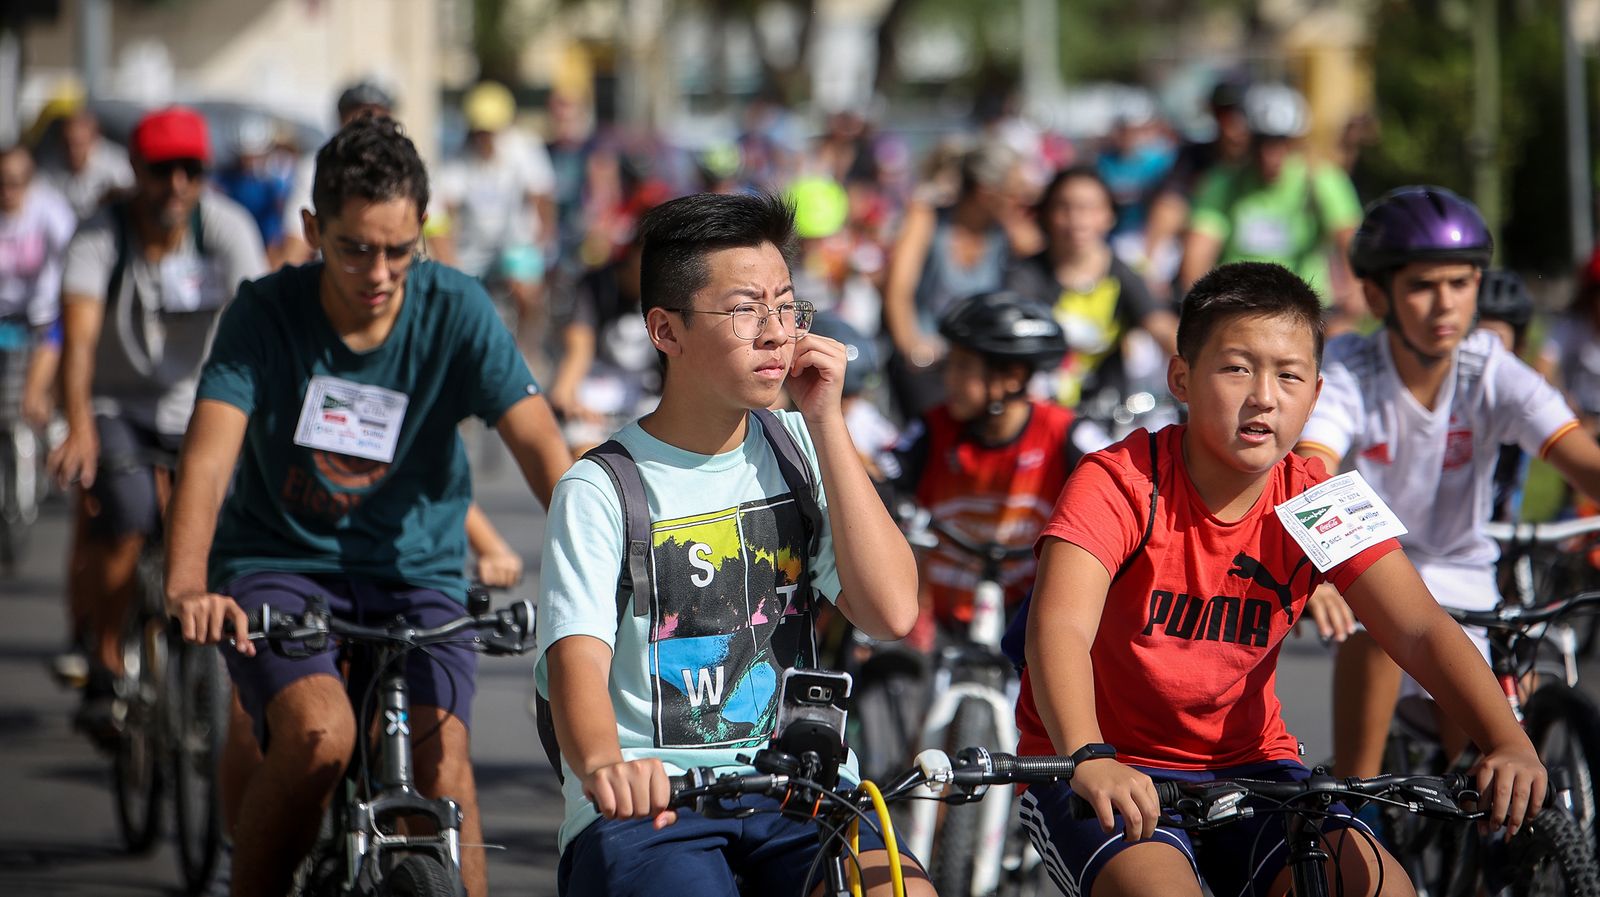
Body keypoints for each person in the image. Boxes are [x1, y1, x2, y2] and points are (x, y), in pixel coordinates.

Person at [1015, 260, 1547, 897]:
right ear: (1181, 377)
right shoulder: (1118, 479)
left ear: (1315, 395)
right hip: (1103, 766)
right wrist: (1087, 755)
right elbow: (1060, 627)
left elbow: (1420, 629)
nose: (1264, 395)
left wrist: (1508, 741)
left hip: (1255, 767)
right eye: (1237, 367)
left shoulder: (1318, 498)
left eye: (1289, 375)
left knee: (1383, 888)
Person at [163, 115, 573, 897]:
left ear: (424, 228)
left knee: (446, 765)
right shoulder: (263, 313)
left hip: (416, 569)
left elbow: (543, 450)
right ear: (314, 229)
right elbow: (209, 460)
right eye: (354, 247)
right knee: (320, 736)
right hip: (278, 563)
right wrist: (186, 583)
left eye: (399, 248)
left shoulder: (457, 309)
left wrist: (613, 566)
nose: (379, 271)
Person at [533, 191, 925, 897]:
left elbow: (892, 611)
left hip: (805, 792)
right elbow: (576, 667)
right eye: (745, 310)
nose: (776, 332)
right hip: (653, 809)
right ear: (667, 331)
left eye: (786, 305)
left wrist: (827, 421)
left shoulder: (802, 445)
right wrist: (604, 765)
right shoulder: (599, 487)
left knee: (903, 891)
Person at [1290, 188, 1600, 784]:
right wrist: (1323, 565)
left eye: (1461, 284)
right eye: (1423, 286)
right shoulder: (1354, 368)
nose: (1446, 305)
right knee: (1376, 644)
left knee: (1487, 769)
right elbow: (1311, 464)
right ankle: (1355, 807)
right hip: (1372, 572)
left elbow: (1583, 462)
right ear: (1379, 295)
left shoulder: (1489, 367)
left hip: (1466, 575)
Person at [48, 106, 268, 740]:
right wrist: (80, 424)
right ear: (137, 170)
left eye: (190, 171)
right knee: (127, 512)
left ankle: (212, 674)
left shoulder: (227, 228)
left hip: (206, 408)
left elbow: (258, 326)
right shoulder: (99, 235)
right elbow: (79, 339)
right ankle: (108, 656)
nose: (176, 185)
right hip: (118, 406)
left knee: (227, 531)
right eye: (162, 170)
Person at [891, 292, 1103, 640]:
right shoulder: (932, 428)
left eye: (963, 367)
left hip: (1028, 617)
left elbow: (1122, 476)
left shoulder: (1064, 432)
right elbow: (884, 476)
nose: (948, 380)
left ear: (1013, 378)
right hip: (938, 623)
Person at [1177, 84, 1363, 330]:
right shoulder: (1223, 183)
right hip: (1238, 312)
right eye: (1261, 143)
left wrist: (1352, 297)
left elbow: (1349, 240)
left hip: (1307, 312)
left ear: (1295, 142)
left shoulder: (1320, 180)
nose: (1269, 155)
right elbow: (1196, 256)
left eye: (1280, 143)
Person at [1005, 166, 1177, 410]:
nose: (1077, 220)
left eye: (1089, 208)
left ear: (1109, 215)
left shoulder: (1125, 273)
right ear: (1046, 214)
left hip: (1106, 414)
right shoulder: (1024, 275)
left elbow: (1161, 326)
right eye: (1064, 207)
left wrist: (1193, 370)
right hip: (1040, 414)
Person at [883, 142, 1029, 418]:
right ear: (986, 193)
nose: (1022, 202)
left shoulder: (1005, 232)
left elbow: (1040, 253)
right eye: (1014, 194)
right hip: (927, 358)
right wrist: (913, 350)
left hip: (978, 363)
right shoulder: (927, 219)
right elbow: (898, 292)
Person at [436, 81, 558, 361]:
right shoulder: (458, 158)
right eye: (479, 130)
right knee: (457, 300)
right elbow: (446, 209)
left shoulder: (524, 148)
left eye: (489, 130)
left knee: (527, 294)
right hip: (473, 249)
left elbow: (541, 196)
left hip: (516, 241)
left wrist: (543, 244)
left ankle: (528, 353)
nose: (484, 136)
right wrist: (448, 259)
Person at [0, 143, 76, 430]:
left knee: (31, 402)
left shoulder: (49, 209)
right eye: (2, 182)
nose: (8, 191)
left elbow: (74, 255)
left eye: (16, 182)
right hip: (5, 322)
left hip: (43, 321)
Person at [1475, 269, 1537, 522]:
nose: (1483, 352)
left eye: (1495, 342)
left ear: (1519, 348)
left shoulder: (1524, 397)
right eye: (1474, 339)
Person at [34, 103, 135, 223]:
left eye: (79, 144)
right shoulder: (48, 168)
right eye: (67, 144)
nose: (73, 151)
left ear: (95, 139)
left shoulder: (119, 167)